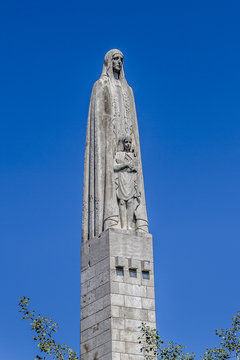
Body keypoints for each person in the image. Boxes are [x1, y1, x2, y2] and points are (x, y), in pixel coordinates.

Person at [82, 49, 148, 242]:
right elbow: (99, 123)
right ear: (108, 62)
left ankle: (136, 221)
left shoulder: (128, 90)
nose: (119, 62)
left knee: (131, 190)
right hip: (109, 147)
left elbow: (133, 124)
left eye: (121, 59)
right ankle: (110, 219)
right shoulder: (100, 86)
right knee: (111, 186)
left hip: (127, 150)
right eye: (115, 59)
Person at [114, 136, 139, 230]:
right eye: (126, 142)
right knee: (122, 202)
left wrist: (132, 166)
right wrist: (125, 164)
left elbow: (136, 168)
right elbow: (114, 167)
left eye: (129, 142)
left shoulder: (133, 156)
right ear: (123, 143)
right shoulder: (119, 155)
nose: (128, 144)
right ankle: (123, 225)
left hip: (130, 179)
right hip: (122, 178)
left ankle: (129, 225)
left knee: (130, 201)